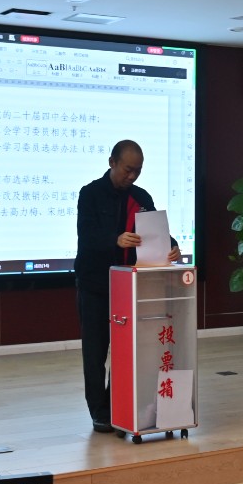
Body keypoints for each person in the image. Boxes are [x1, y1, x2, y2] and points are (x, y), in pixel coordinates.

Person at [75, 140, 181, 433]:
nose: (132, 176)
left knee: (126, 350)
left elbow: (158, 234)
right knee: (95, 352)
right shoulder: (90, 194)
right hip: (95, 285)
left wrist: (172, 246)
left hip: (130, 287)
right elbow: (87, 235)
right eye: (127, 169)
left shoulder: (141, 197)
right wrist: (115, 239)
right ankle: (99, 412)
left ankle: (118, 406)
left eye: (138, 170)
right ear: (112, 162)